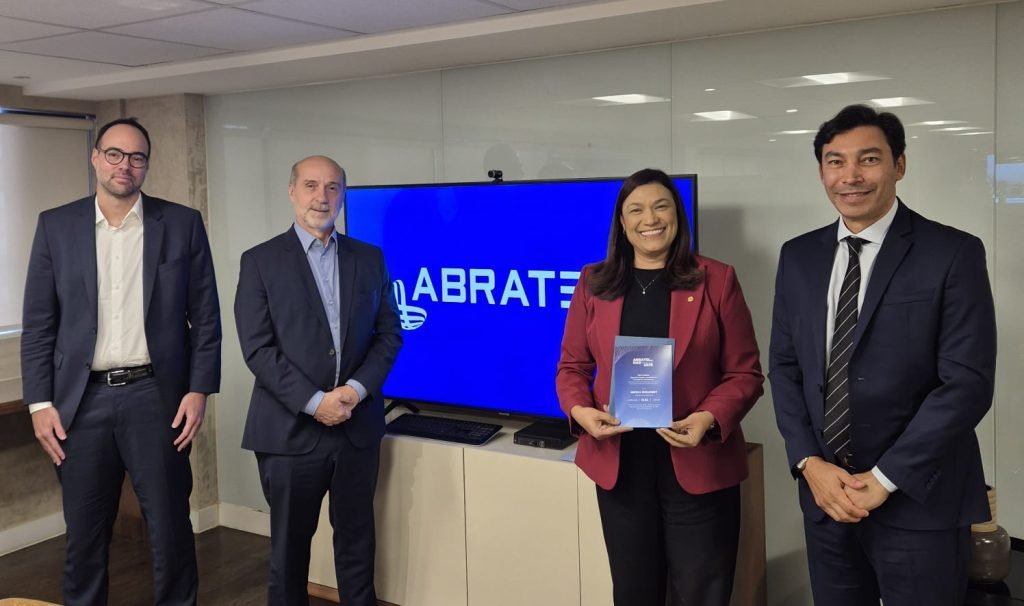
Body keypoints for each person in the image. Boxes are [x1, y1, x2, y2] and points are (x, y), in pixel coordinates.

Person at [769, 104, 997, 605]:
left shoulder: (952, 252)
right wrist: (809, 463)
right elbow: (785, 368)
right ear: (821, 171)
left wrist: (884, 478)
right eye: (835, 161)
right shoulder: (798, 256)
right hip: (827, 498)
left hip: (919, 499)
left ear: (899, 165)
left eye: (868, 159)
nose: (850, 176)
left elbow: (967, 383)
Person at [20, 117, 222, 605]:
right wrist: (39, 404)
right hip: (80, 405)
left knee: (171, 529)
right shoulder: (55, 225)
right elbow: (39, 324)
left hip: (157, 399)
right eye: (114, 154)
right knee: (84, 536)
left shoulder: (181, 224)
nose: (124, 165)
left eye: (136, 157)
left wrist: (198, 389)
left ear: (146, 165)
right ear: (95, 157)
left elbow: (206, 318)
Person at [556, 168, 763, 606]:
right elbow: (571, 367)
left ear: (676, 215)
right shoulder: (594, 282)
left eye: (660, 206)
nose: (649, 219)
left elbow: (745, 373)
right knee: (634, 591)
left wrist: (708, 418)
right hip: (621, 465)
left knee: (702, 592)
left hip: (697, 461)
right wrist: (580, 411)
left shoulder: (716, 279)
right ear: (622, 222)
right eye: (636, 210)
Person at [235, 155, 402, 606]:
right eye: (311, 185)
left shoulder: (369, 258)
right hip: (289, 434)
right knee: (289, 556)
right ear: (292, 191)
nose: (321, 197)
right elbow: (258, 349)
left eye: (332, 187)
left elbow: (389, 335)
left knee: (357, 546)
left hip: (357, 429)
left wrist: (355, 392)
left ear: (343, 195)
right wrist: (315, 402)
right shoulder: (260, 262)